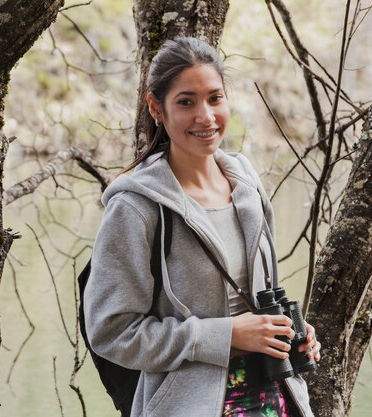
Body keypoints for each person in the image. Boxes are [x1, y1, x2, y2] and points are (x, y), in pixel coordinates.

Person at [84, 36, 321, 417]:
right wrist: (224, 336)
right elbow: (111, 333)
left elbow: (256, 296)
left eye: (214, 98)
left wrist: (290, 332)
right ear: (156, 108)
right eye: (186, 102)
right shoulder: (136, 207)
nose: (206, 117)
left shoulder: (246, 184)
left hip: (277, 398)